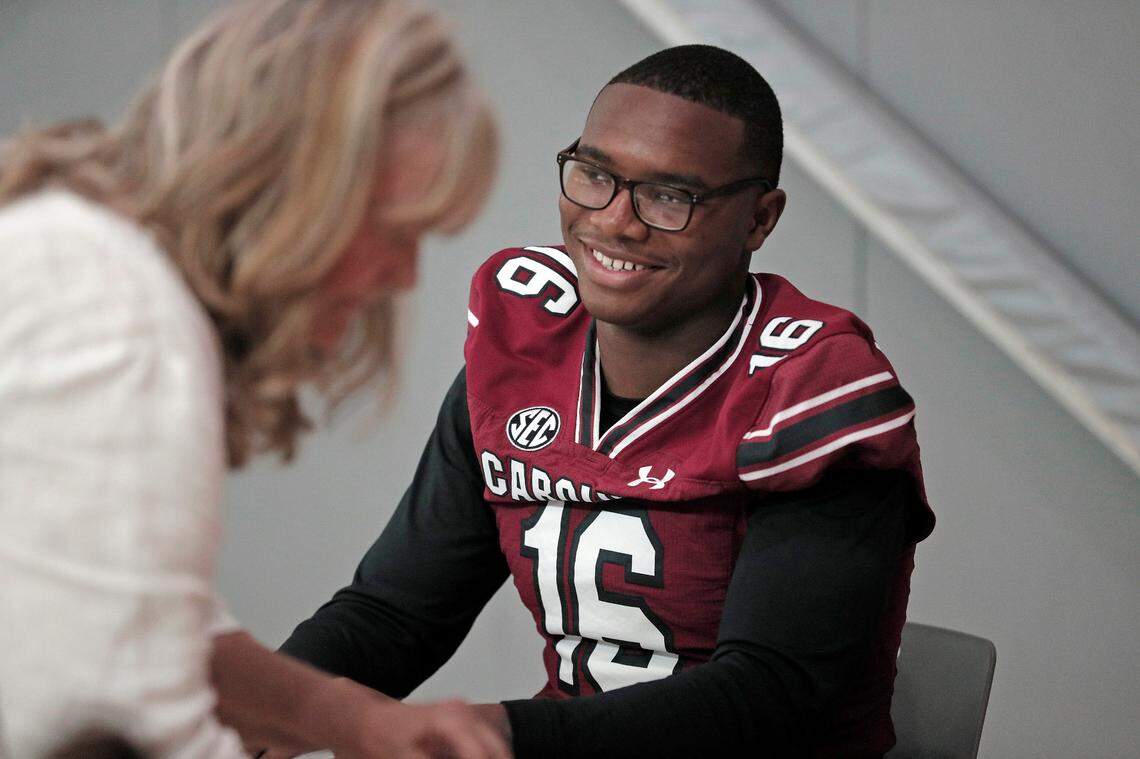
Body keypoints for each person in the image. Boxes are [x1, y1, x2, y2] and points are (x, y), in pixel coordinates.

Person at [279, 45, 936, 757]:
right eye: (595, 174)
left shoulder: (812, 385)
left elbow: (769, 694)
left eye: (669, 195)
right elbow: (395, 612)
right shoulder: (521, 344)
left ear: (758, 219)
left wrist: (498, 733)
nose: (616, 221)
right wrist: (267, 707)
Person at [0, 1, 508, 757]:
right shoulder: (118, 319)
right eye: (396, 231)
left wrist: (351, 718)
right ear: (294, 189)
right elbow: (111, 717)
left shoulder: (86, 261)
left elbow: (151, 625)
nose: (403, 277)